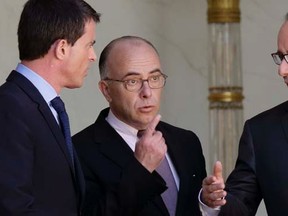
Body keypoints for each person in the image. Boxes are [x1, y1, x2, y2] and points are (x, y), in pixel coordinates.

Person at [72, 35, 207, 216]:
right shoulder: (78, 152)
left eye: (154, 78)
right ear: (106, 90)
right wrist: (141, 169)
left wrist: (208, 205)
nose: (147, 92)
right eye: (132, 81)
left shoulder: (187, 141)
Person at [0, 0, 100, 215]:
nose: (93, 56)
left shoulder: (42, 106)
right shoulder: (10, 107)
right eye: (89, 44)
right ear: (62, 48)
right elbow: (12, 207)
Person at [201, 13, 288, 216]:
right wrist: (214, 201)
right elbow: (238, 205)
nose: (282, 70)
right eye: (281, 58)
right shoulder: (262, 132)